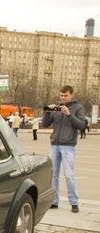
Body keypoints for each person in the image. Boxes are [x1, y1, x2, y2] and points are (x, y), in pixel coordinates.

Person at [42, 85, 86, 213]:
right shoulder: (57, 107)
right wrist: (47, 112)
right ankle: (54, 201)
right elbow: (45, 124)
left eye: (65, 95)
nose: (63, 98)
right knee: (54, 174)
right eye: (61, 95)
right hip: (55, 144)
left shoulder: (78, 108)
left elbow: (81, 125)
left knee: (69, 175)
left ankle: (74, 202)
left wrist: (69, 114)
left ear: (72, 94)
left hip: (68, 145)